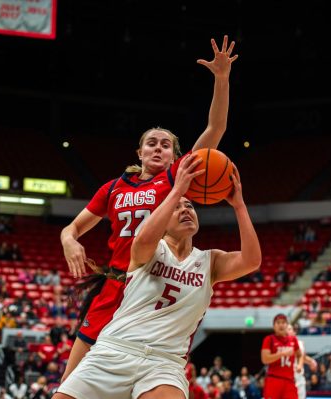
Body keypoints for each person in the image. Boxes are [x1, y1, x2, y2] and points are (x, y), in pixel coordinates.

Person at [59, 35, 238, 382]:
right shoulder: (112, 188)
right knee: (72, 380)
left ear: (175, 155)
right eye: (151, 144)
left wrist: (221, 79)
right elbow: (73, 228)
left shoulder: (175, 179)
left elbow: (216, 128)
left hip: (154, 285)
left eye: (166, 145)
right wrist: (69, 239)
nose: (158, 149)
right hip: (116, 283)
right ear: (139, 153)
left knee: (145, 376)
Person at [55, 155, 261, 398]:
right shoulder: (149, 248)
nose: (185, 209)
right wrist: (177, 191)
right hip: (116, 349)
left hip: (164, 363)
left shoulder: (210, 261)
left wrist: (239, 205)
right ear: (162, 220)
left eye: (190, 206)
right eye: (176, 208)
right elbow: (144, 237)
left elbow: (251, 260)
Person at [261, 315, 303, 399]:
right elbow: (265, 359)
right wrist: (282, 354)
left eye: (283, 322)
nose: (281, 325)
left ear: (287, 325)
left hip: (289, 381)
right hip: (273, 380)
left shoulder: (293, 340)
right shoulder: (269, 339)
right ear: (274, 326)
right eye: (278, 323)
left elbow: (300, 355)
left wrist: (300, 365)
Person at [287, 325, 316, 399]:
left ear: (294, 332)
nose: (287, 331)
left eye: (289, 329)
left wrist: (311, 361)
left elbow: (302, 356)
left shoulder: (299, 343)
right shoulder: (281, 345)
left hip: (298, 380)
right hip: (286, 380)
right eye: (286, 329)